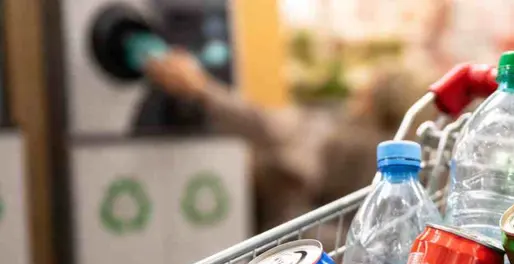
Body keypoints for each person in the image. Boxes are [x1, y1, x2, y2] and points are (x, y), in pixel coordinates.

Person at [144, 51, 427, 234]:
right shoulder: (404, 159)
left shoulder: (342, 137)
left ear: (369, 101)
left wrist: (202, 89)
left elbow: (264, 125)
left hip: (290, 239)